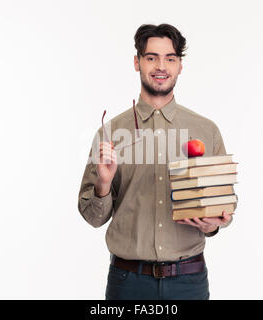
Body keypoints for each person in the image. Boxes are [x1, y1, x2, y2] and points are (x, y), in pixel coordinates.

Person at [77, 23, 235, 300]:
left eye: (170, 58)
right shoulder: (110, 133)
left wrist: (213, 224)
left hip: (189, 281)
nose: (161, 66)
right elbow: (93, 218)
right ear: (137, 62)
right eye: (151, 57)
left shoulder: (206, 130)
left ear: (180, 66)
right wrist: (103, 183)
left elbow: (225, 204)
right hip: (128, 283)